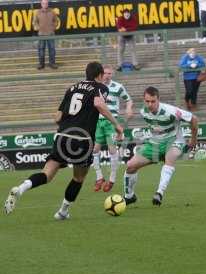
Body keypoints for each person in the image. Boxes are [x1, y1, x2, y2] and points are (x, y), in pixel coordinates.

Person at [4, 62, 124, 219]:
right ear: (100, 75)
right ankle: (63, 212)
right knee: (78, 177)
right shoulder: (100, 87)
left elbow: (57, 117)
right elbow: (99, 104)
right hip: (82, 139)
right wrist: (117, 125)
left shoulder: (72, 88)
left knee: (46, 173)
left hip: (62, 136)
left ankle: (20, 189)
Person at [123, 86, 198, 206]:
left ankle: (159, 193)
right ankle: (129, 196)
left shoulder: (170, 111)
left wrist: (193, 139)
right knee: (131, 166)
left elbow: (193, 119)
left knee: (170, 158)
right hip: (154, 144)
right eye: (147, 101)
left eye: (153, 101)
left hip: (174, 141)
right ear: (144, 100)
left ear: (158, 99)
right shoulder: (143, 111)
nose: (150, 104)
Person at [92, 65, 134, 193]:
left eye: (110, 73)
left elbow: (128, 99)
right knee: (94, 150)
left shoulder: (118, 87)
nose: (107, 75)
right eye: (105, 73)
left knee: (112, 150)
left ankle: (111, 180)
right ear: (101, 74)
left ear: (112, 74)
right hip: (98, 121)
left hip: (111, 122)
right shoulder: (96, 86)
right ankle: (99, 178)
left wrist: (128, 108)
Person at [33, 0, 58, 70]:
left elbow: (56, 21)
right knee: (41, 50)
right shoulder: (37, 12)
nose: (45, 4)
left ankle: (52, 63)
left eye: (46, 3)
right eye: (43, 3)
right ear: (41, 4)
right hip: (41, 34)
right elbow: (34, 22)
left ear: (48, 4)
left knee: (52, 50)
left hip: (51, 34)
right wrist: (38, 28)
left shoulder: (52, 11)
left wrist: (53, 27)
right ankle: (41, 64)